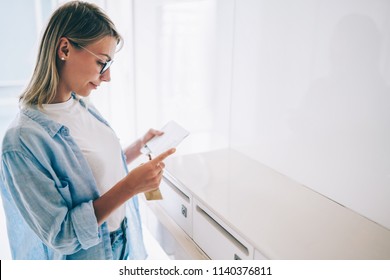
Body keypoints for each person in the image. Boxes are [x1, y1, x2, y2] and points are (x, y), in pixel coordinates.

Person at [0, 1, 175, 260]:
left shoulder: (81, 105)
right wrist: (129, 187)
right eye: (102, 63)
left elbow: (90, 175)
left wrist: (139, 146)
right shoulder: (22, 142)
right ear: (64, 49)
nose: (107, 77)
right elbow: (61, 235)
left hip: (124, 239)